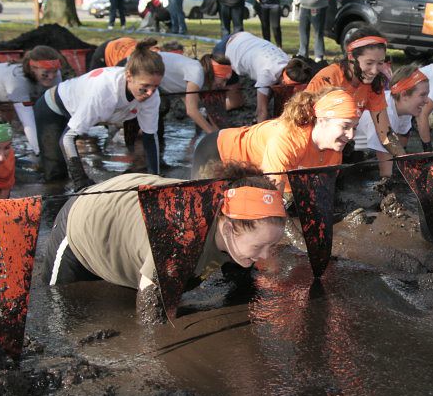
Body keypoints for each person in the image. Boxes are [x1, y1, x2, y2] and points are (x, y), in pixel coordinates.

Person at [42, 161, 287, 325]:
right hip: (83, 221)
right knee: (59, 309)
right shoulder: (179, 235)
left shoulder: (238, 228)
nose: (266, 256)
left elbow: (242, 289)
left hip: (134, 215)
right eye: (258, 247)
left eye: (272, 245)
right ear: (228, 227)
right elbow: (150, 316)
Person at [34, 39, 164, 189]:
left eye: (155, 87)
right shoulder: (104, 92)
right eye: (144, 87)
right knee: (55, 175)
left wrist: (155, 179)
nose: (150, 93)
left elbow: (150, 137)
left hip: (84, 108)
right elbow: (67, 138)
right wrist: (80, 180)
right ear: (129, 76)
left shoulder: (152, 96)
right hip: (53, 107)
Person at [191, 87, 360, 194]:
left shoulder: (335, 150)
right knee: (203, 206)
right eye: (345, 126)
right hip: (217, 150)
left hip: (254, 168)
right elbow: (271, 195)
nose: (351, 135)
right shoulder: (288, 139)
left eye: (355, 127)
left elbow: (318, 193)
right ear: (322, 120)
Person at [304, 26, 401, 156]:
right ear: (351, 57)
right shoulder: (328, 79)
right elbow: (303, 125)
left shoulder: (374, 85)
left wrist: (404, 159)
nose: (374, 71)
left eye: (380, 63)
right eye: (369, 63)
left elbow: (385, 133)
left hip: (338, 146)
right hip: (311, 147)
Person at [0, 46, 64, 154]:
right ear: (33, 68)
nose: (51, 77)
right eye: (46, 73)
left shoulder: (55, 74)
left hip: (6, 89)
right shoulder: (17, 81)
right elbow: (28, 120)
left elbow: (59, 108)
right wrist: (41, 152)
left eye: (55, 71)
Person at [353, 64, 431, 179]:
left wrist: (407, 166)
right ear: (404, 95)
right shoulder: (387, 113)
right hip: (347, 147)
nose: (427, 101)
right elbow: (386, 173)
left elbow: (401, 142)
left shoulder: (405, 108)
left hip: (365, 145)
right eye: (423, 95)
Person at [220, 31, 315, 122]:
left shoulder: (290, 63)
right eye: (289, 86)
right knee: (235, 102)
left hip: (244, 38)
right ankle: (212, 110)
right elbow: (261, 110)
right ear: (284, 80)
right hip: (226, 51)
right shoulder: (267, 73)